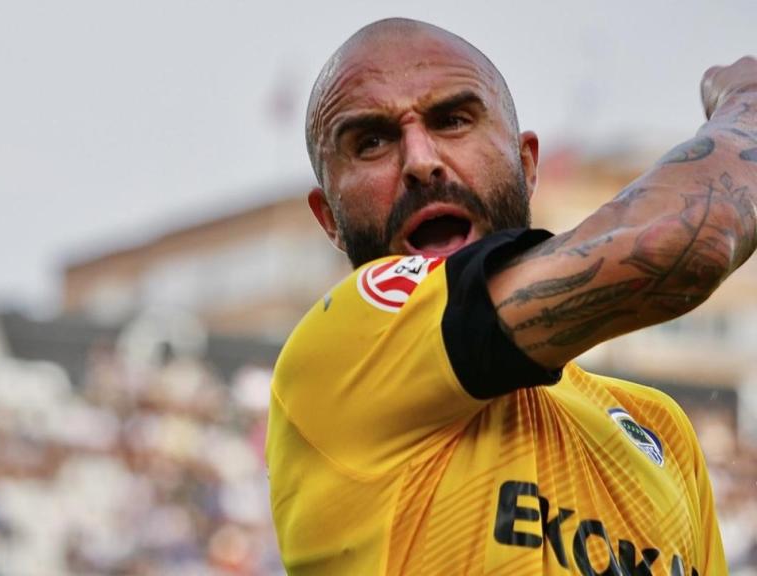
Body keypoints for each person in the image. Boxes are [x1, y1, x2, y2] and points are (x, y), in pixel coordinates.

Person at [266, 17, 757, 575]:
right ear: (329, 218)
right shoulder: (335, 360)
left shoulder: (659, 426)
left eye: (452, 120)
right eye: (372, 141)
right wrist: (747, 109)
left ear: (526, 166)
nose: (420, 161)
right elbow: (687, 242)